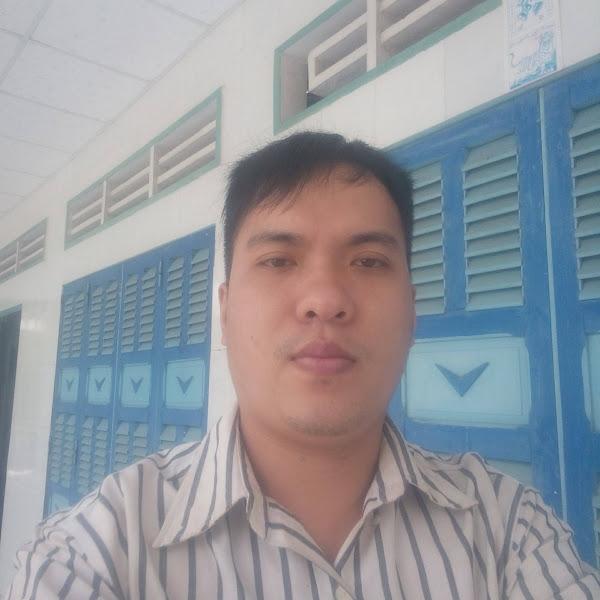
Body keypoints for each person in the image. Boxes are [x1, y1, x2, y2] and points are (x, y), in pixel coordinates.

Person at [6, 132, 600, 599]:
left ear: (412, 311)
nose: (325, 299)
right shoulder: (94, 556)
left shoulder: (508, 529)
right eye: (278, 260)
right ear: (224, 312)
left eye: (369, 261)